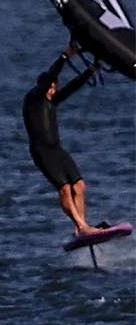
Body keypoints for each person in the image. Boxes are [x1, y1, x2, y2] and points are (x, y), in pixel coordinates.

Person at [24, 45, 108, 238]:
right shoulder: (34, 98)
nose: (56, 89)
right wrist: (65, 55)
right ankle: (81, 226)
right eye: (54, 86)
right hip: (42, 151)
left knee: (79, 186)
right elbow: (51, 75)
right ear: (48, 86)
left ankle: (81, 228)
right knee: (64, 189)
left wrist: (90, 71)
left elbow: (72, 87)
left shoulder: (51, 101)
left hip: (57, 150)